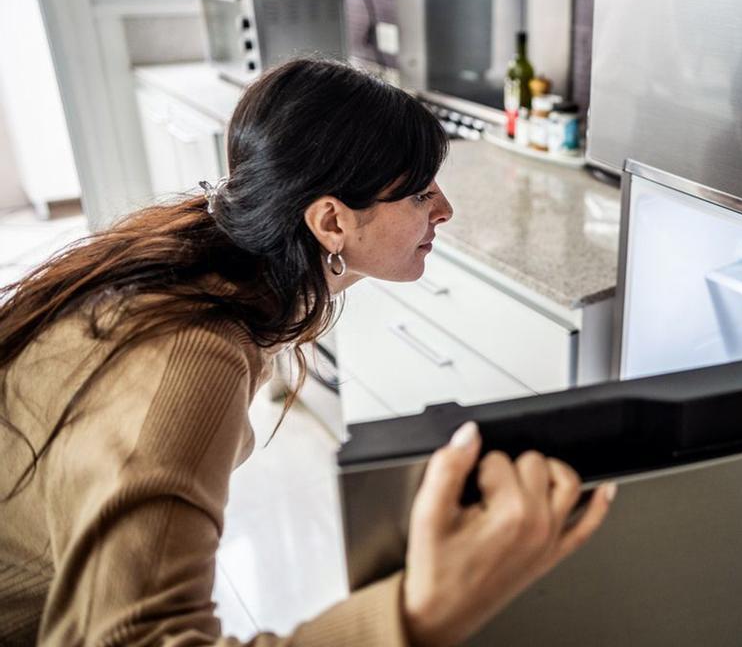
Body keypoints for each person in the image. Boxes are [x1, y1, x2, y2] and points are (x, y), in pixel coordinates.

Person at [0, 58, 615, 645]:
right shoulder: (186, 356)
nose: (444, 210)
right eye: (421, 193)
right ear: (331, 222)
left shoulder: (210, 258)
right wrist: (422, 613)